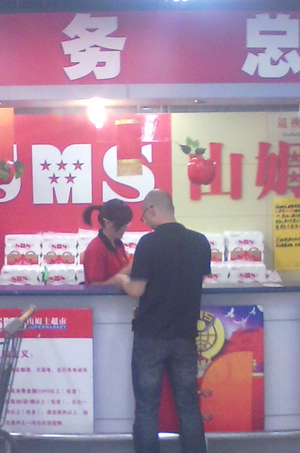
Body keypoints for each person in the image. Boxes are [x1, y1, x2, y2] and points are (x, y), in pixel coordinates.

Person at [115, 189, 210, 453]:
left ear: (152, 210)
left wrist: (122, 280)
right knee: (188, 406)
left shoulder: (149, 243)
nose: (144, 220)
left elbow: (137, 290)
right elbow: (197, 281)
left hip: (151, 336)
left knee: (147, 408)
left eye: (143, 215)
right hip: (185, 335)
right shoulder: (200, 242)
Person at [81, 198, 133, 285]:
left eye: (126, 224)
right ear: (107, 223)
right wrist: (119, 278)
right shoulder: (96, 249)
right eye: (121, 225)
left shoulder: (118, 243)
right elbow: (95, 287)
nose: (125, 228)